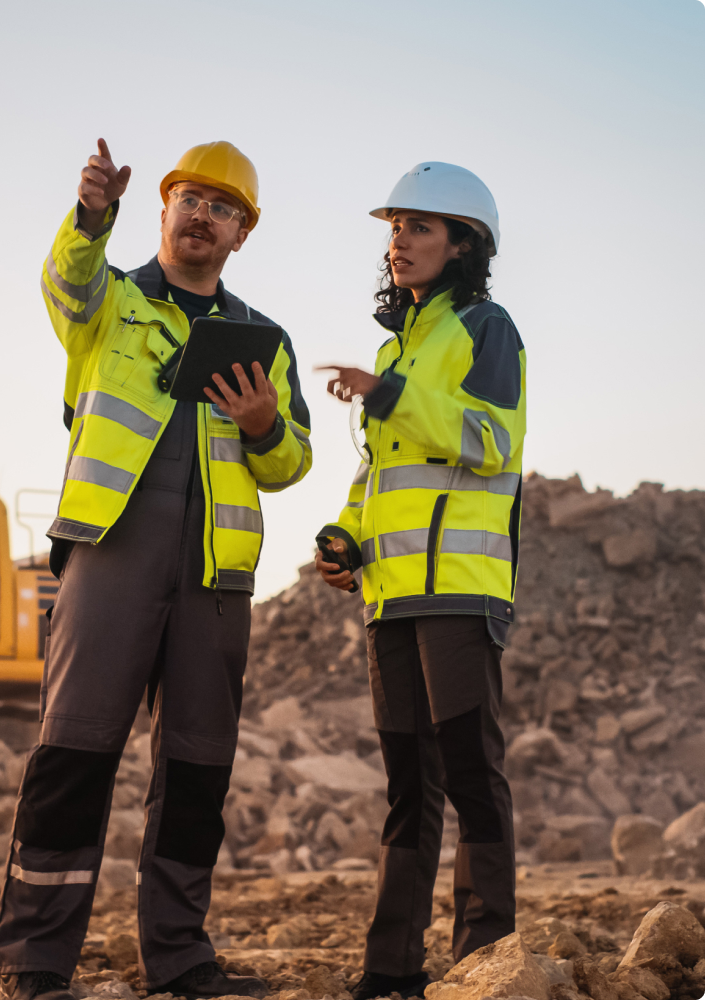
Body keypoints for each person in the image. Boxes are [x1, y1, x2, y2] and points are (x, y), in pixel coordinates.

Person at [0, 139, 312, 1000]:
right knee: (74, 755)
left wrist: (260, 424)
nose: (203, 215)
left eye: (224, 207)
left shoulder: (265, 342)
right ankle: (36, 961)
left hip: (214, 580)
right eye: (190, 199)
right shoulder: (112, 301)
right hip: (110, 553)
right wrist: (91, 217)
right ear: (164, 208)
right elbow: (66, 284)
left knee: (198, 771)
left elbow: (291, 466)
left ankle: (178, 956)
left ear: (242, 234)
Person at [315, 162, 526, 1000]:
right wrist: (345, 536)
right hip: (390, 598)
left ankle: (486, 964)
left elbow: (490, 439)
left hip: (462, 591)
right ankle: (392, 967)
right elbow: (378, 476)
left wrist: (392, 391)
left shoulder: (487, 327)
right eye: (394, 227)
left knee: (472, 771)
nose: (398, 241)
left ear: (464, 243)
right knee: (410, 786)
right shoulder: (394, 345)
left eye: (419, 227)